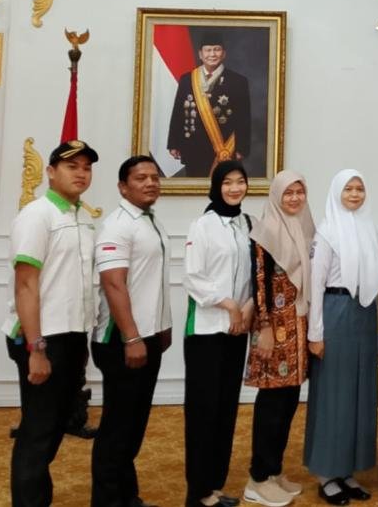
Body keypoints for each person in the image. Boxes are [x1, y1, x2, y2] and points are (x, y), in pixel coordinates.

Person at [1, 139, 99, 507]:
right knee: (38, 431)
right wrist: (36, 348)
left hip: (71, 336)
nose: (81, 173)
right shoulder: (37, 215)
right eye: (72, 166)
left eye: (86, 167)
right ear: (51, 172)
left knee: (57, 425)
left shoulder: (82, 217)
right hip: (41, 338)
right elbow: (26, 285)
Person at [91, 155, 172, 507]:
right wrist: (133, 336)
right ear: (123, 187)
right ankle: (107, 500)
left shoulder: (150, 221)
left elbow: (152, 282)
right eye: (141, 178)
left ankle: (126, 497)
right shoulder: (117, 225)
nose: (150, 183)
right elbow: (113, 283)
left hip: (146, 337)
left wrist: (162, 328)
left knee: (133, 425)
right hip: (122, 340)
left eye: (154, 177)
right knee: (118, 427)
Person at [304, 170, 378, 505]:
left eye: (359, 188)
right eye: (348, 188)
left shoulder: (368, 228)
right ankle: (326, 473)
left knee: (360, 393)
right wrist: (315, 333)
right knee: (333, 394)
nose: (354, 194)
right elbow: (315, 286)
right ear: (337, 192)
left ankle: (347, 469)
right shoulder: (327, 231)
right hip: (335, 312)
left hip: (364, 314)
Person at [182, 160, 255, 507]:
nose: (235, 188)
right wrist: (229, 305)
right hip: (207, 330)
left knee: (226, 409)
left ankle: (214, 486)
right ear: (216, 186)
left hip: (238, 330)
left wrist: (248, 307)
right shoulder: (202, 225)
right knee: (203, 412)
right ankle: (197, 493)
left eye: (240, 181)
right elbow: (193, 277)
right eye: (227, 182)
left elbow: (255, 274)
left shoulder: (248, 224)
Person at [244, 170, 315, 507]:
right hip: (274, 330)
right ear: (276, 196)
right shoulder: (265, 231)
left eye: (300, 192)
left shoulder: (305, 227)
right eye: (288, 192)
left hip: (298, 328)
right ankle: (257, 479)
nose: (295, 198)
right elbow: (259, 283)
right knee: (271, 405)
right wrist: (264, 327)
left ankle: (274, 472)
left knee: (288, 403)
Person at [167, 29, 252, 177]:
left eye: (217, 49)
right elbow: (178, 113)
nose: (212, 54)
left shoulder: (238, 81)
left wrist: (242, 148)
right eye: (208, 50)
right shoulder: (187, 79)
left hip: (224, 149)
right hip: (193, 147)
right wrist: (173, 143)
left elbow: (244, 119)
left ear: (224, 54)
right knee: (194, 187)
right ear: (200, 54)